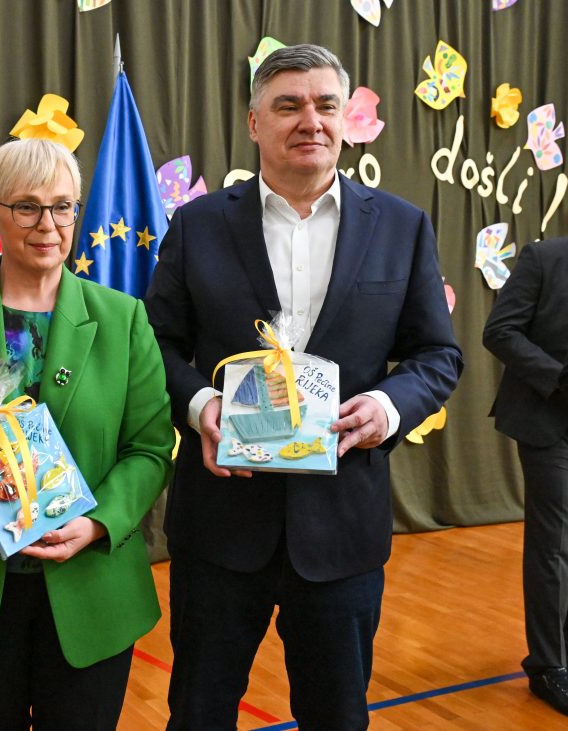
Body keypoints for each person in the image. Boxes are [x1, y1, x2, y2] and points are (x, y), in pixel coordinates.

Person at [145, 44, 463, 729]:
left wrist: (387, 407)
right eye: (287, 105)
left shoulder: (402, 226)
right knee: (198, 712)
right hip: (220, 524)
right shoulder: (197, 224)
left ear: (345, 120)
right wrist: (200, 405)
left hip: (343, 530)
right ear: (254, 122)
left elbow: (438, 354)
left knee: (337, 716)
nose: (309, 120)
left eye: (325, 105)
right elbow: (156, 344)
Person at [0, 138, 174, 730]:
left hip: (92, 586)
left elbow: (151, 449)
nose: (47, 224)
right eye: (26, 206)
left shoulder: (124, 319)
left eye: (62, 206)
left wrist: (99, 522)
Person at [483, 237, 568, 716]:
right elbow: (500, 331)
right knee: (553, 544)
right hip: (547, 419)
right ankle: (548, 666)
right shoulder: (544, 258)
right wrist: (558, 378)